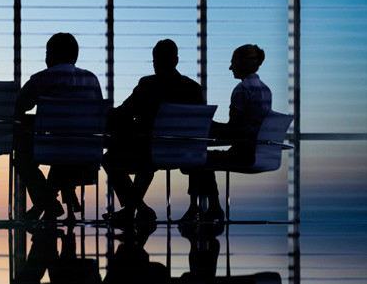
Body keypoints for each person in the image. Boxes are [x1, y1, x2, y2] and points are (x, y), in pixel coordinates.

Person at [102, 39, 205, 224]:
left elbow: (124, 113)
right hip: (185, 154)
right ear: (176, 60)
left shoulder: (148, 85)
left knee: (110, 159)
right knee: (146, 159)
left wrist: (102, 113)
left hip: (148, 152)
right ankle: (133, 210)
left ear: (155, 62)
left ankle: (138, 208)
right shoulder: (194, 89)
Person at [14, 33, 102, 224]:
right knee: (62, 155)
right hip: (86, 153)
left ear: (52, 55)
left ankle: (46, 203)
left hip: (53, 149)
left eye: (47, 53)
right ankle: (46, 205)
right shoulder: (92, 80)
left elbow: (17, 106)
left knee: (22, 158)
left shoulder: (43, 79)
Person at [183, 44, 272, 222]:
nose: (230, 67)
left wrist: (207, 125)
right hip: (259, 152)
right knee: (201, 159)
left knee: (197, 159)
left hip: (243, 153)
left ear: (243, 63)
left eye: (233, 62)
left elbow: (233, 130)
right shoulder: (265, 89)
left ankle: (204, 208)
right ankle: (206, 208)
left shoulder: (242, 89)